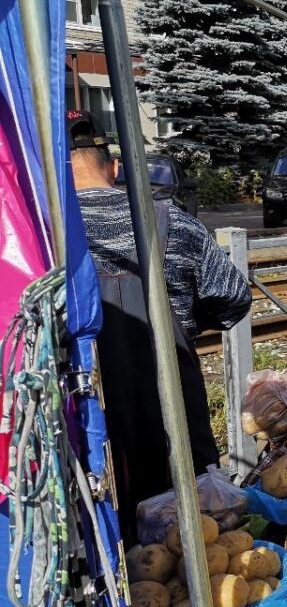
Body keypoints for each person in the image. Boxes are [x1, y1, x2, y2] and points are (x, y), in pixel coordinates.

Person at [69, 111, 251, 542]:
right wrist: (185, 329)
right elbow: (233, 295)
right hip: (171, 412)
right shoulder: (175, 223)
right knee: (187, 543)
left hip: (82, 417)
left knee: (96, 536)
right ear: (113, 168)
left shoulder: (41, 235)